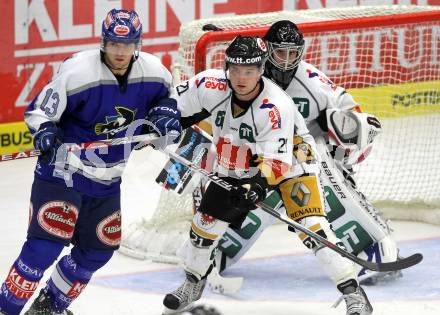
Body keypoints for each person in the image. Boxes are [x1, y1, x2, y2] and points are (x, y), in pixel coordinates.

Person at [162, 35, 372, 315]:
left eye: (249, 71)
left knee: (312, 229)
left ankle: (353, 293)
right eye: (235, 69)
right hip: (238, 157)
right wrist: (159, 123)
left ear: (261, 70)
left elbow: (276, 163)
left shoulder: (275, 107)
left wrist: (255, 188)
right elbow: (173, 105)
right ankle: (193, 283)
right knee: (203, 227)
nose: (241, 77)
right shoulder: (209, 84)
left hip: (293, 161)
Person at [0, 8, 180, 315]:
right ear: (103, 42)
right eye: (113, 44)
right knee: (44, 247)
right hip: (63, 173)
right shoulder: (77, 71)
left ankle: (48, 306)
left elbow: (170, 102)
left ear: (137, 44)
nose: (119, 52)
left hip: (108, 179)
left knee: (99, 249)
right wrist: (45, 130)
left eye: (127, 45)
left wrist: (165, 113)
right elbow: (41, 110)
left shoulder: (155, 72)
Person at [213, 20, 400, 288]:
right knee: (244, 202)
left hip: (307, 160)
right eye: (280, 53)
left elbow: (353, 121)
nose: (287, 61)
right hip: (261, 159)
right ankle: (215, 247)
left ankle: (372, 246)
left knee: (329, 194)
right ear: (267, 51)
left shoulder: (314, 84)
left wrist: (344, 153)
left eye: (293, 53)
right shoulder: (248, 73)